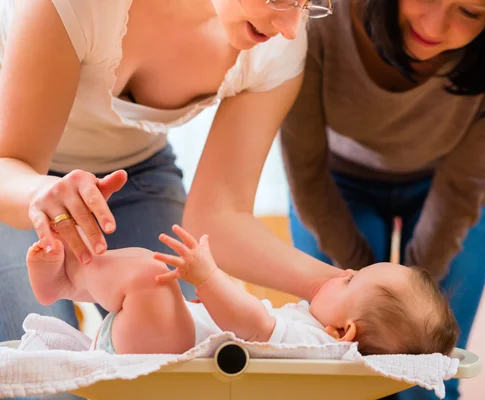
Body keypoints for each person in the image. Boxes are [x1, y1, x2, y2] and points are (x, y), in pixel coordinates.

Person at [0, 0, 346, 399]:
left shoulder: (278, 45)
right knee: (37, 381)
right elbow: (12, 162)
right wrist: (39, 193)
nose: (289, 27)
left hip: (134, 171)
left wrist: (341, 287)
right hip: (15, 180)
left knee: (184, 368)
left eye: (308, 4)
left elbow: (220, 217)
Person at [279, 0, 485, 399]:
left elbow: (463, 188)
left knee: (429, 372)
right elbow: (305, 169)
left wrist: (408, 303)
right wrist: (366, 287)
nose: (435, 25)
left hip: (452, 187)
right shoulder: (323, 16)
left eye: (470, 12)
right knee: (336, 363)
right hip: (334, 181)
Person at [25, 224, 459, 358]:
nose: (342, 270)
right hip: (164, 342)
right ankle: (70, 282)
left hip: (163, 353)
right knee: (147, 270)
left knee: (145, 274)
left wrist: (208, 276)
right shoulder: (312, 328)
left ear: (344, 331)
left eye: (351, 279)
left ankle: (66, 281)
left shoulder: (313, 347)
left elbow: (251, 321)